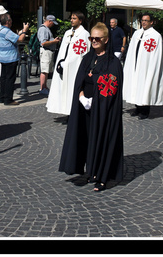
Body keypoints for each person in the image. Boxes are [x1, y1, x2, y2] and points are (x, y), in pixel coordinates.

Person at [57, 22, 124, 192]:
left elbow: (110, 87)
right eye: (91, 38)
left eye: (97, 38)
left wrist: (93, 93)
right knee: (86, 138)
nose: (93, 41)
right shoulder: (88, 58)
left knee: (101, 138)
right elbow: (79, 80)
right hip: (84, 105)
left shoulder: (112, 62)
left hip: (102, 109)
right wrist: (81, 97)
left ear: (106, 40)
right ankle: (90, 171)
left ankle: (102, 176)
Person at [122, 13, 163, 118]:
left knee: (145, 86)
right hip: (136, 64)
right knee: (136, 85)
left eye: (146, 20)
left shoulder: (156, 36)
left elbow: (157, 55)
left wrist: (152, 67)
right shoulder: (137, 33)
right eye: (142, 20)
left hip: (146, 65)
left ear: (151, 22)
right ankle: (137, 107)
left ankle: (145, 111)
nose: (144, 22)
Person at [46, 12, 90, 119]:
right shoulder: (67, 33)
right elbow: (63, 50)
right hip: (64, 67)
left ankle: (74, 113)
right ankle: (66, 111)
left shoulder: (84, 34)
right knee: (63, 89)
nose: (71, 20)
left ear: (80, 20)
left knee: (72, 89)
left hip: (75, 68)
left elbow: (84, 53)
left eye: (74, 18)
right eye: (71, 18)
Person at [0, 12, 30, 105]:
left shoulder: (0, 29)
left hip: (3, 57)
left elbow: (15, 37)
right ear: (7, 21)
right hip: (10, 57)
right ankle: (8, 99)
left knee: (4, 78)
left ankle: (2, 97)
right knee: (10, 79)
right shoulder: (6, 31)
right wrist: (25, 30)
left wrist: (22, 30)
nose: (11, 21)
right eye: (10, 19)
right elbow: (20, 39)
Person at [37, 15, 58, 94]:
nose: (52, 25)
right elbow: (43, 42)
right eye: (52, 23)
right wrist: (54, 41)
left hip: (48, 51)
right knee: (44, 70)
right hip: (46, 51)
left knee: (46, 70)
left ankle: (44, 87)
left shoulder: (46, 29)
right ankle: (42, 88)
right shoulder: (43, 29)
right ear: (49, 21)